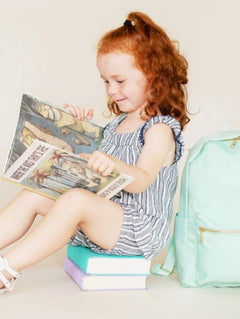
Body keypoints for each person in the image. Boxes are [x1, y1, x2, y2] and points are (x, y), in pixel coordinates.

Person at [0, 11, 189, 294]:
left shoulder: (159, 128)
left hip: (137, 229)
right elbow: (91, 173)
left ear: (154, 76)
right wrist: (75, 130)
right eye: (105, 81)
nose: (111, 90)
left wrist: (111, 162)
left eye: (120, 81)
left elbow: (142, 179)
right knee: (36, 194)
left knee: (76, 201)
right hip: (102, 219)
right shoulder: (117, 125)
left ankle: (7, 269)